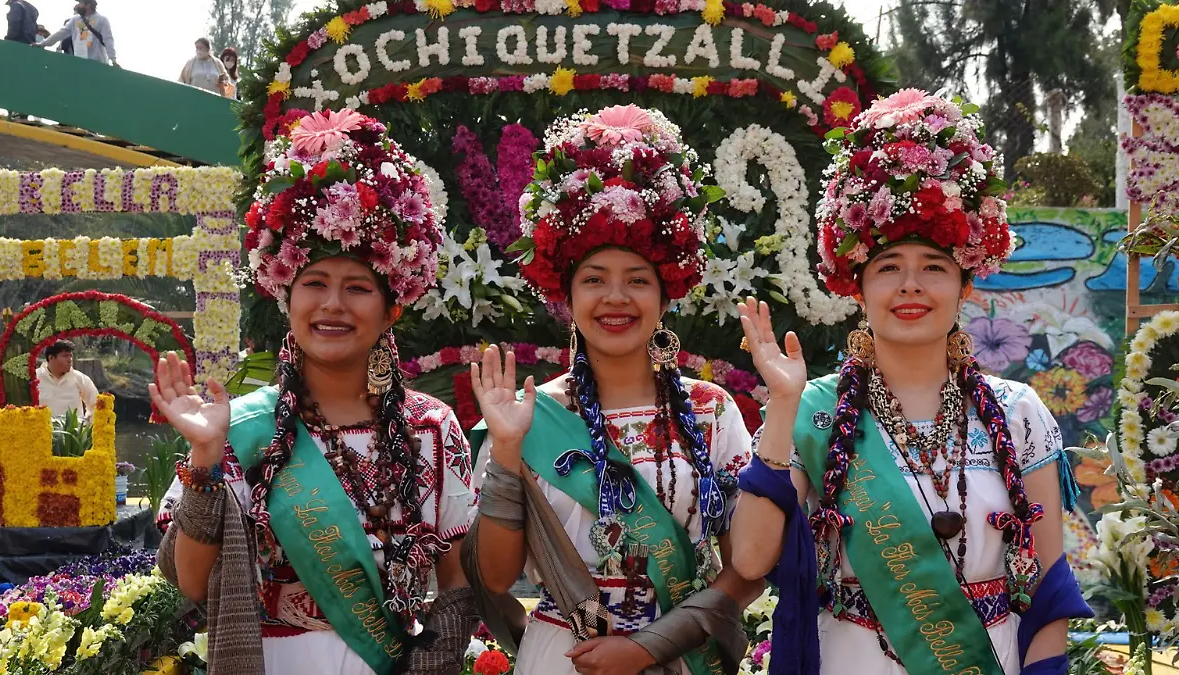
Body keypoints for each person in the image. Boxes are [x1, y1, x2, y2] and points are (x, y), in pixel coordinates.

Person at [729, 89, 1092, 675]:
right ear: (858, 286)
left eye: (934, 268)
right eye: (889, 268)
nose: (911, 286)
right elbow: (749, 559)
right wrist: (781, 404)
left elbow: (1049, 584)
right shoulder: (815, 410)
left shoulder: (1018, 412)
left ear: (966, 286)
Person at [154, 109, 476, 675]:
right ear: (285, 294)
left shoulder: (431, 428)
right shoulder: (239, 428)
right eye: (315, 285)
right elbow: (189, 580)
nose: (332, 305)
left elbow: (457, 582)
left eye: (357, 288)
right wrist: (205, 457)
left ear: (390, 308)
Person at [465, 104, 760, 675]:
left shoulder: (711, 411)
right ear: (567, 298)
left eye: (638, 281)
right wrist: (505, 453)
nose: (616, 298)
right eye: (595, 280)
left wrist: (650, 646)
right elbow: (497, 578)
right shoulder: (530, 417)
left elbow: (746, 567)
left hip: (682, 649)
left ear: (665, 296)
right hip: (566, 655)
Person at [37, 1, 117, 66]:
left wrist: (113, 60)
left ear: (88, 4)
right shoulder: (76, 20)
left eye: (80, 3)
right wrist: (42, 44)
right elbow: (61, 33)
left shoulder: (102, 20)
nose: (78, 5)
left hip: (98, 62)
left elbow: (108, 40)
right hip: (79, 62)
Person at [36, 340, 98, 420]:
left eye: (70, 356)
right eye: (65, 356)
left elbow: (96, 404)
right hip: (43, 430)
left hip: (74, 431)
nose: (70, 360)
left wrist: (86, 424)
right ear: (51, 357)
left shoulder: (80, 378)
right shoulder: (35, 378)